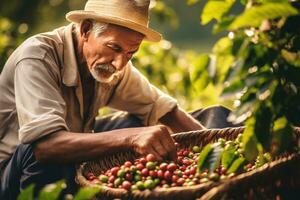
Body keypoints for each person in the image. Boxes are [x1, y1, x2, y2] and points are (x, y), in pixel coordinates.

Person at [0, 0, 211, 199]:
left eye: (130, 54)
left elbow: (162, 108)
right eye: (114, 48)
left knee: (144, 124)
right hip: (11, 173)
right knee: (43, 145)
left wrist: (210, 148)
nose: (119, 64)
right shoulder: (38, 57)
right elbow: (46, 148)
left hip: (67, 158)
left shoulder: (110, 65)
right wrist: (131, 137)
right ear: (86, 30)